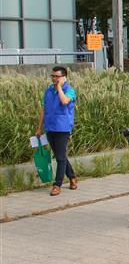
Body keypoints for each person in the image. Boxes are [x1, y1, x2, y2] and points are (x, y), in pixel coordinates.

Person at [37, 66, 78, 196]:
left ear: (64, 77)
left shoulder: (69, 90)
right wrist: (39, 127)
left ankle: (57, 184)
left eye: (57, 76)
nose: (54, 78)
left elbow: (65, 101)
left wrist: (60, 87)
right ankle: (72, 177)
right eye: (53, 76)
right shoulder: (48, 90)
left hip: (62, 127)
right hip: (50, 127)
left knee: (60, 157)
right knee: (60, 155)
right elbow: (44, 109)